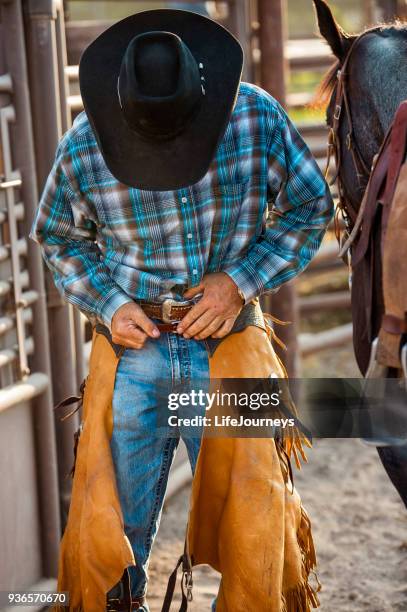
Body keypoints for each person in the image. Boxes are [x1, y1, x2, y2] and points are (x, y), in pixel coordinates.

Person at [31, 9, 333, 611]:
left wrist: (239, 281)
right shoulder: (85, 141)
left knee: (257, 525)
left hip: (233, 344)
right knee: (106, 531)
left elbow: (309, 207)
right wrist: (110, 304)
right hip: (131, 352)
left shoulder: (255, 116)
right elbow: (57, 235)